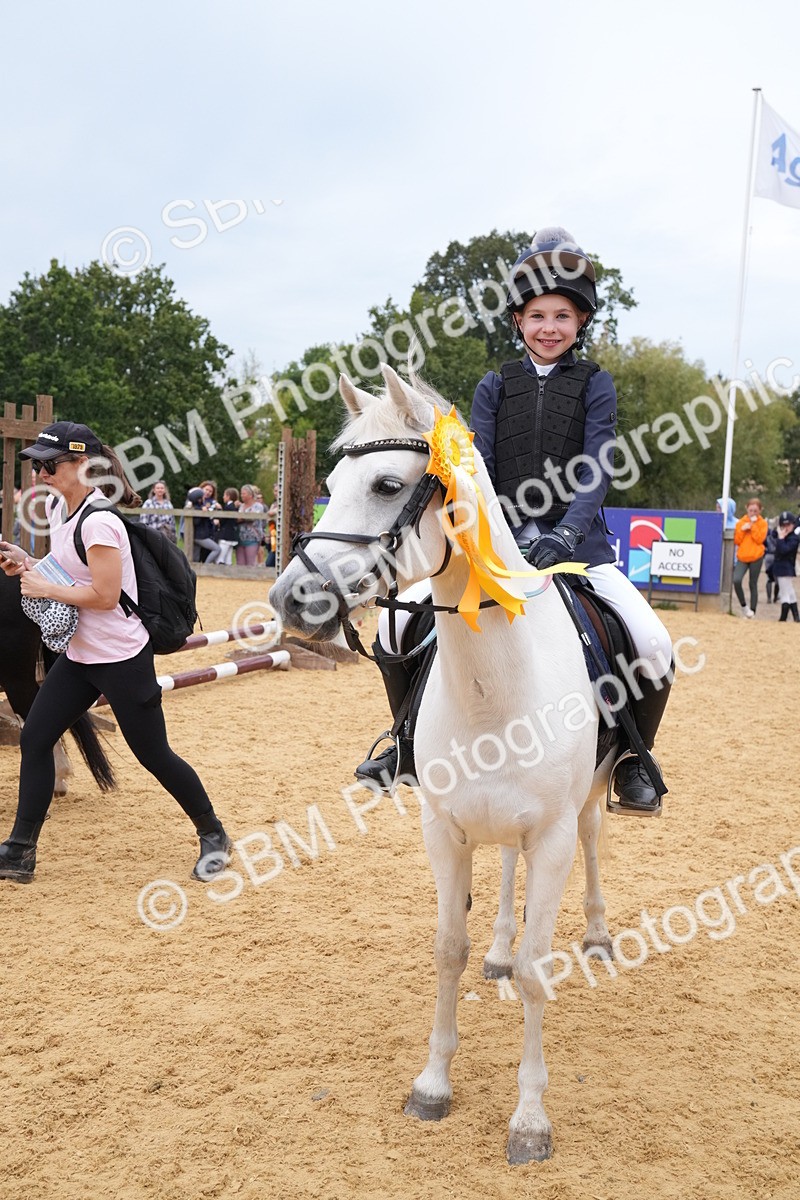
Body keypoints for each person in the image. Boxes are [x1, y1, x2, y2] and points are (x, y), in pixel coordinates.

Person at [355, 227, 673, 814]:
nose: (549, 327)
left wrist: (568, 533)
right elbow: (482, 470)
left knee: (653, 641)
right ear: (518, 321)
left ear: (580, 323)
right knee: (394, 630)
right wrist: (503, 534)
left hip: (581, 546)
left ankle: (633, 757)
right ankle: (402, 742)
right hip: (498, 543)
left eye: (561, 316)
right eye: (537, 316)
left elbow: (598, 466)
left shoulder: (595, 384)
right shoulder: (495, 385)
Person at [0, 420, 231, 884]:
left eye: (49, 464)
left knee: (153, 754)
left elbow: (104, 596)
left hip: (122, 658)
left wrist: (45, 587)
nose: (40, 473)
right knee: (35, 737)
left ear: (82, 465)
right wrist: (27, 565)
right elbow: (69, 572)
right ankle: (20, 851)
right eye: (36, 465)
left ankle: (213, 832)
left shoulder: (101, 521)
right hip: (82, 657)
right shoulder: (57, 508)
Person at [732, 498, 768, 618]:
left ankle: (753, 611)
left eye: (755, 510)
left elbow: (760, 539)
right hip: (743, 556)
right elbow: (737, 540)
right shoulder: (741, 522)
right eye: (751, 510)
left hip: (756, 556)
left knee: (753, 583)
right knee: (736, 580)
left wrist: (752, 527)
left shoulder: (762, 523)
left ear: (760, 511)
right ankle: (744, 606)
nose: (753, 513)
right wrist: (743, 529)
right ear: (746, 508)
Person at [772, 511, 800, 622]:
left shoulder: (794, 538)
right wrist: (778, 533)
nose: (785, 528)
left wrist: (781, 538)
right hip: (781, 567)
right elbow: (771, 535)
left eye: (788, 525)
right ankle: (796, 616)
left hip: (786, 568)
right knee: (790, 591)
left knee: (784, 592)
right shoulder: (783, 535)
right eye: (783, 525)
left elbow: (784, 550)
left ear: (793, 525)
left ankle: (783, 617)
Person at [235, 485, 265, 567]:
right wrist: (244, 517)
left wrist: (243, 517)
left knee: (250, 563)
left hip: (253, 538)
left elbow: (253, 517)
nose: (242, 495)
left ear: (250, 495)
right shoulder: (241, 506)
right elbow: (237, 518)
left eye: (243, 493)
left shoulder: (258, 506)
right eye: (241, 493)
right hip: (240, 538)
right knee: (240, 564)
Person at [217, 487, 240, 566]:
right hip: (231, 535)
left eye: (224, 495)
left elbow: (223, 521)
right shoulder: (234, 507)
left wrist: (219, 512)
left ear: (228, 496)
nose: (223, 497)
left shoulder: (228, 507)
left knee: (221, 557)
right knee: (228, 558)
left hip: (226, 535)